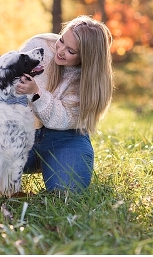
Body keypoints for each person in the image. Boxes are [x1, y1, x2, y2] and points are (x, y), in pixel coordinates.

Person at [16, 15, 114, 192]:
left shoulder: (89, 84)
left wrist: (36, 93)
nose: (60, 51)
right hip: (20, 133)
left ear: (87, 58)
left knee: (66, 191)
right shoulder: (39, 46)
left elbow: (60, 119)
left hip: (64, 138)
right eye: (61, 41)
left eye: (71, 51)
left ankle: (57, 162)